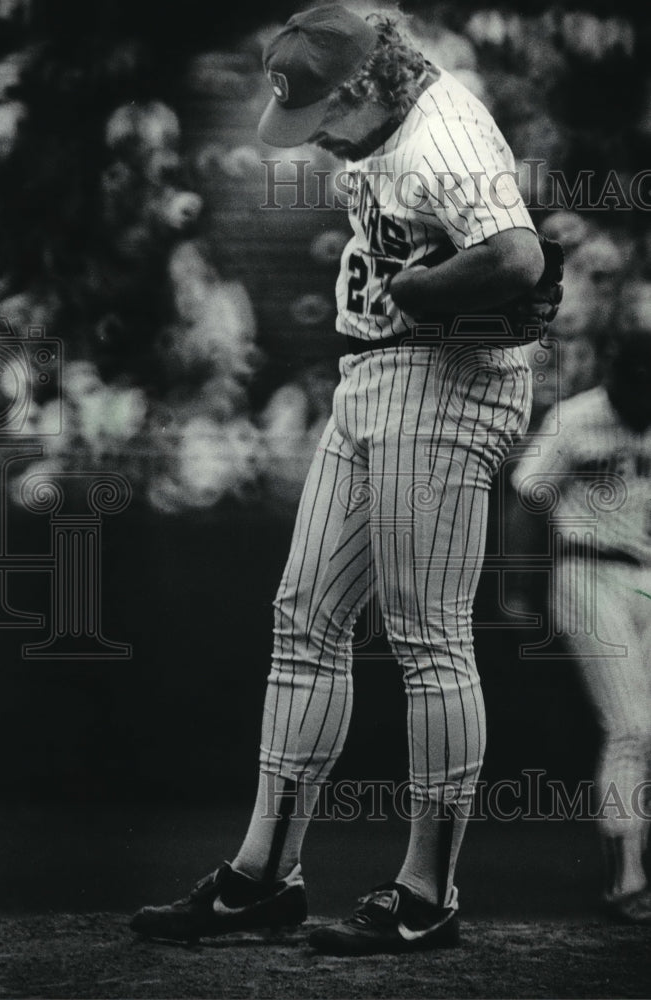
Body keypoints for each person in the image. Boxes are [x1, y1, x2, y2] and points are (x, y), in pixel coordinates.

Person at [130, 4, 560, 954]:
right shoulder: (378, 110)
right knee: (304, 618)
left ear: (365, 83)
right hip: (373, 373)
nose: (313, 134)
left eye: (321, 111)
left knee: (427, 639)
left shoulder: (442, 133)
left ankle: (426, 894)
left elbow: (519, 256)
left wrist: (427, 289)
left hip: (447, 383)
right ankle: (260, 878)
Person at [510, 326, 651, 925]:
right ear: (614, 373)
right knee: (632, 728)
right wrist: (518, 590)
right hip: (585, 573)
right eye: (632, 379)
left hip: (645, 572)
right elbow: (528, 500)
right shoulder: (575, 418)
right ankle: (628, 880)